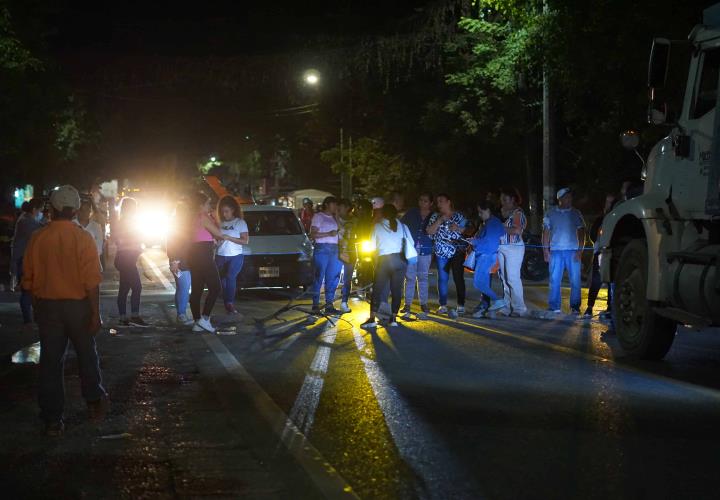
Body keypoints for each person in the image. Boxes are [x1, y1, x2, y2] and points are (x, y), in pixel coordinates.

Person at [22, 185, 107, 436]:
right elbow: (92, 281)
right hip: (78, 306)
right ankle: (93, 401)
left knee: (50, 362)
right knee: (87, 356)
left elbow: (29, 280)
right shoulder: (83, 238)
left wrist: (39, 306)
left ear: (54, 208)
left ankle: (52, 419)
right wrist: (95, 312)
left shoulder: (38, 238)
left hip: (48, 306)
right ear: (76, 209)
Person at [361, 204, 411, 329]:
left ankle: (372, 318)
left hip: (384, 260)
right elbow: (411, 243)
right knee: (396, 290)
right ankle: (393, 318)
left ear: (383, 213)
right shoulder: (403, 226)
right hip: (400, 261)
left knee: (377, 289)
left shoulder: (377, 226)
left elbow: (372, 247)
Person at [542, 187, 587, 315]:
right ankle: (554, 306)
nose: (570, 199)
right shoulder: (550, 213)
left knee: (575, 280)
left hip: (572, 251)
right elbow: (545, 232)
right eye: (567, 197)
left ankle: (575, 307)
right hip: (555, 251)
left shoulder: (576, 213)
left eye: (570, 197)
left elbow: (582, 232)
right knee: (554, 280)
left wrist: (580, 250)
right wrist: (546, 251)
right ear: (560, 199)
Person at [188, 192, 227, 333]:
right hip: (203, 255)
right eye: (208, 203)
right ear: (201, 205)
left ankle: (197, 322)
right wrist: (216, 218)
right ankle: (204, 319)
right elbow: (220, 233)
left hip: (194, 254)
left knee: (197, 290)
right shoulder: (203, 217)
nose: (210, 206)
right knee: (216, 287)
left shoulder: (191, 218)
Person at [427, 193, 469, 316]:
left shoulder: (459, 216)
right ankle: (443, 305)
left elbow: (468, 231)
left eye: (441, 201)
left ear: (449, 202)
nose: (438, 204)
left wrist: (458, 228)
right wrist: (439, 220)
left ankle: (461, 305)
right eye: (437, 201)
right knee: (442, 278)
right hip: (441, 250)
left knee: (458, 278)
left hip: (457, 250)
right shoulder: (435, 216)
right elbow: (429, 231)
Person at [112, 197, 147, 327]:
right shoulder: (127, 222)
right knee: (137, 287)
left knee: (124, 288)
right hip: (126, 258)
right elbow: (120, 240)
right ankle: (134, 316)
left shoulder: (125, 221)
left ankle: (123, 318)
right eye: (134, 207)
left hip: (125, 258)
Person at [470, 201, 507, 318]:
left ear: (488, 210)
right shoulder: (494, 222)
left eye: (481, 212)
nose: (480, 215)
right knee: (484, 284)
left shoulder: (491, 223)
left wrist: (474, 241)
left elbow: (488, 243)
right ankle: (489, 311)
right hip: (490, 255)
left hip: (486, 255)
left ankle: (498, 300)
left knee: (478, 283)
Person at [400, 192, 434, 319]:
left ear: (431, 203)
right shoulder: (412, 212)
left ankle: (423, 303)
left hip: (426, 249)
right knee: (409, 277)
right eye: (421, 200)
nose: (422, 203)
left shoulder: (433, 216)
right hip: (411, 250)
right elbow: (401, 224)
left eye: (426, 201)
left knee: (423, 277)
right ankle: (407, 304)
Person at [11, 198, 44, 327]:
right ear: (35, 209)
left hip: (25, 259)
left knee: (30, 289)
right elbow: (40, 229)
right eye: (40, 209)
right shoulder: (26, 221)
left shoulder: (26, 219)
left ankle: (30, 317)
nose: (41, 212)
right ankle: (28, 319)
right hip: (23, 260)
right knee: (27, 288)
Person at [584, 193, 618, 318]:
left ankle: (610, 308)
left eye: (611, 202)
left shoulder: (616, 218)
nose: (609, 205)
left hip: (611, 254)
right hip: (600, 252)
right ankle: (589, 307)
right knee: (596, 281)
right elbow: (593, 234)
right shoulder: (601, 219)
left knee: (611, 282)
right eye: (607, 202)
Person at [497, 187, 529, 317]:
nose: (502, 201)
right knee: (504, 278)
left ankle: (519, 308)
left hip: (514, 247)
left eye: (505, 199)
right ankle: (506, 306)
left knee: (512, 278)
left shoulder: (518, 213)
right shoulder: (501, 212)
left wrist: (499, 227)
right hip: (501, 246)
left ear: (513, 199)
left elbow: (516, 231)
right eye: (501, 199)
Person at [215, 196, 249, 314]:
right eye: (222, 211)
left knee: (230, 277)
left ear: (233, 210)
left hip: (235, 256)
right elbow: (217, 239)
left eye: (227, 211)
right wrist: (217, 242)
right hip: (220, 255)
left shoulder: (240, 222)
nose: (224, 214)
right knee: (222, 280)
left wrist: (229, 238)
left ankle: (229, 303)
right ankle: (227, 301)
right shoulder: (220, 223)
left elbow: (245, 241)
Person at [310, 196, 343, 315]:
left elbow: (340, 229)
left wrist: (337, 215)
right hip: (322, 248)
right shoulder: (318, 216)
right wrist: (328, 233)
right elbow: (312, 235)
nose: (336, 207)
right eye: (334, 205)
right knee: (319, 277)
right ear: (327, 205)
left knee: (333, 278)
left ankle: (329, 305)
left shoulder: (334, 217)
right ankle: (315, 305)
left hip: (334, 249)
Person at [167, 200, 194, 325]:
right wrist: (175, 261)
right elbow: (174, 245)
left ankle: (180, 313)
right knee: (184, 288)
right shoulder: (181, 226)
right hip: (181, 262)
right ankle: (181, 314)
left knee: (180, 288)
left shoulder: (174, 224)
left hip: (178, 261)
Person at [337, 198, 356, 313]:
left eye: (342, 206)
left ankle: (344, 302)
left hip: (350, 252)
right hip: (337, 251)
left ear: (348, 208)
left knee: (347, 279)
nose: (339, 208)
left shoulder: (355, 220)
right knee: (334, 277)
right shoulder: (335, 219)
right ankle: (329, 303)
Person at [77, 199, 105, 270]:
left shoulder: (96, 226)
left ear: (90, 211)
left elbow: (99, 247)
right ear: (77, 211)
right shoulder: (72, 225)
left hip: (92, 264)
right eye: (82, 210)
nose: (84, 213)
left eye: (87, 210)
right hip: (75, 264)